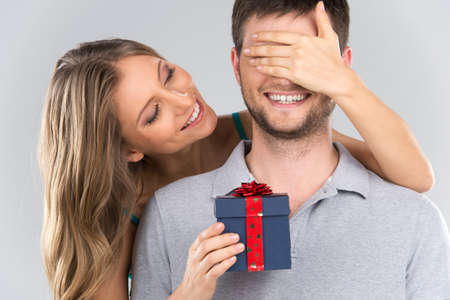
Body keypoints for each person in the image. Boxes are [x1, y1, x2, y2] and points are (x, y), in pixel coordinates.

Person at [38, 6, 435, 300]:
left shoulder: (256, 123)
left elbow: (415, 177)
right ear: (128, 149)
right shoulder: (137, 209)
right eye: (154, 113)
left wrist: (340, 81)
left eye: (168, 74)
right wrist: (189, 291)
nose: (182, 100)